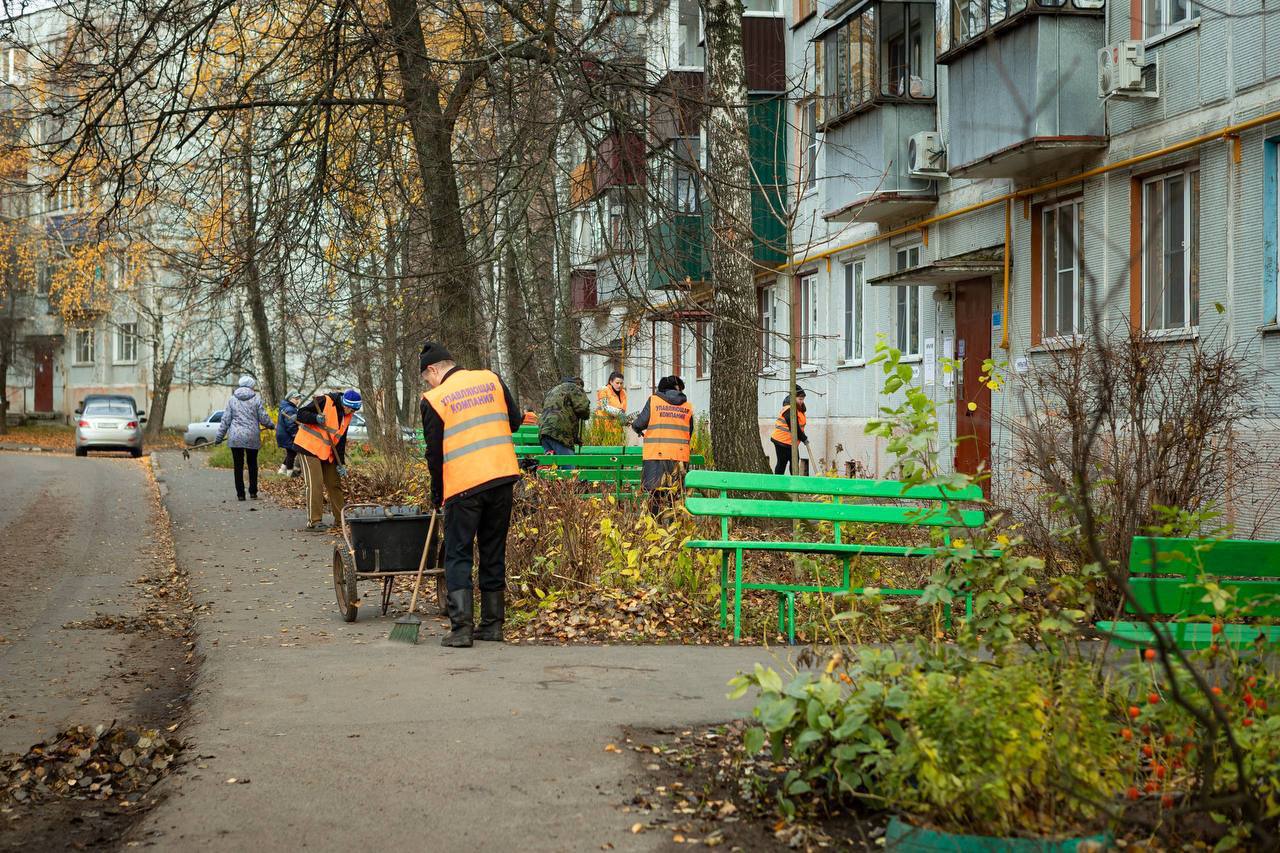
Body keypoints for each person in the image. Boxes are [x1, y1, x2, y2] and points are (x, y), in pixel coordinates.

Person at [419, 341, 522, 648]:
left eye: (427, 378)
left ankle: (462, 629)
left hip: (464, 486)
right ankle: (492, 625)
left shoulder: (435, 399)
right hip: (502, 478)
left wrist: (437, 493)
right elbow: (514, 422)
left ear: (433, 369)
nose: (428, 384)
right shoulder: (491, 379)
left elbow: (434, 454)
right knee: (493, 550)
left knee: (458, 553)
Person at [294, 388, 362, 531]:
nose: (351, 412)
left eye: (354, 410)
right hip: (308, 447)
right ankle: (314, 521)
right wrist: (315, 418)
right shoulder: (325, 401)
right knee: (315, 483)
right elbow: (300, 414)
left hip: (327, 452)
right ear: (344, 403)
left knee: (334, 483)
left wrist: (340, 464)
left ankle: (340, 520)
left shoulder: (347, 416)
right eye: (350, 409)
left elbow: (340, 441)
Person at [632, 375, 693, 512]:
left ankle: (655, 522)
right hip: (679, 458)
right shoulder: (687, 406)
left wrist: (636, 427)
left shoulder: (654, 401)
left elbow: (639, 423)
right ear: (677, 388)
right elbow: (689, 432)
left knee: (655, 494)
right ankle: (673, 522)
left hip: (656, 456)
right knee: (675, 495)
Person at [214, 375, 275, 501]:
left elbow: (226, 420)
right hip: (252, 436)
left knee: (238, 466)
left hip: (236, 437)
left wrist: (219, 437)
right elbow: (263, 417)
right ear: (251, 385)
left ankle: (240, 494)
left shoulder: (232, 400)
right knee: (252, 464)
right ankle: (253, 492)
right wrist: (270, 425)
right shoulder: (256, 399)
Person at [539, 376, 591, 458]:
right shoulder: (575, 387)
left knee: (551, 464)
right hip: (559, 434)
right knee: (569, 463)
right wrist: (586, 415)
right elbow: (583, 408)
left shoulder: (553, 390)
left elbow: (567, 416)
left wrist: (575, 439)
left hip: (543, 432)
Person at [771, 387, 811, 476]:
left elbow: (799, 426)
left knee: (794, 462)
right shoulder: (789, 409)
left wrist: (803, 436)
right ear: (793, 398)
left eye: (803, 399)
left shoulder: (798, 409)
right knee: (782, 463)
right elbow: (794, 427)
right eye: (800, 399)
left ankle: (793, 482)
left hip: (791, 441)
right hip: (782, 441)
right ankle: (778, 483)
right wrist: (804, 438)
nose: (802, 401)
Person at [275, 391, 302, 476]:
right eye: (296, 398)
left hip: (283, 433)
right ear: (290, 399)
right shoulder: (290, 409)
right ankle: (289, 474)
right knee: (292, 452)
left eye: (298, 398)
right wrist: (295, 434)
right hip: (287, 434)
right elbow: (290, 425)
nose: (298, 401)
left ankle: (282, 470)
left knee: (291, 452)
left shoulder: (286, 407)